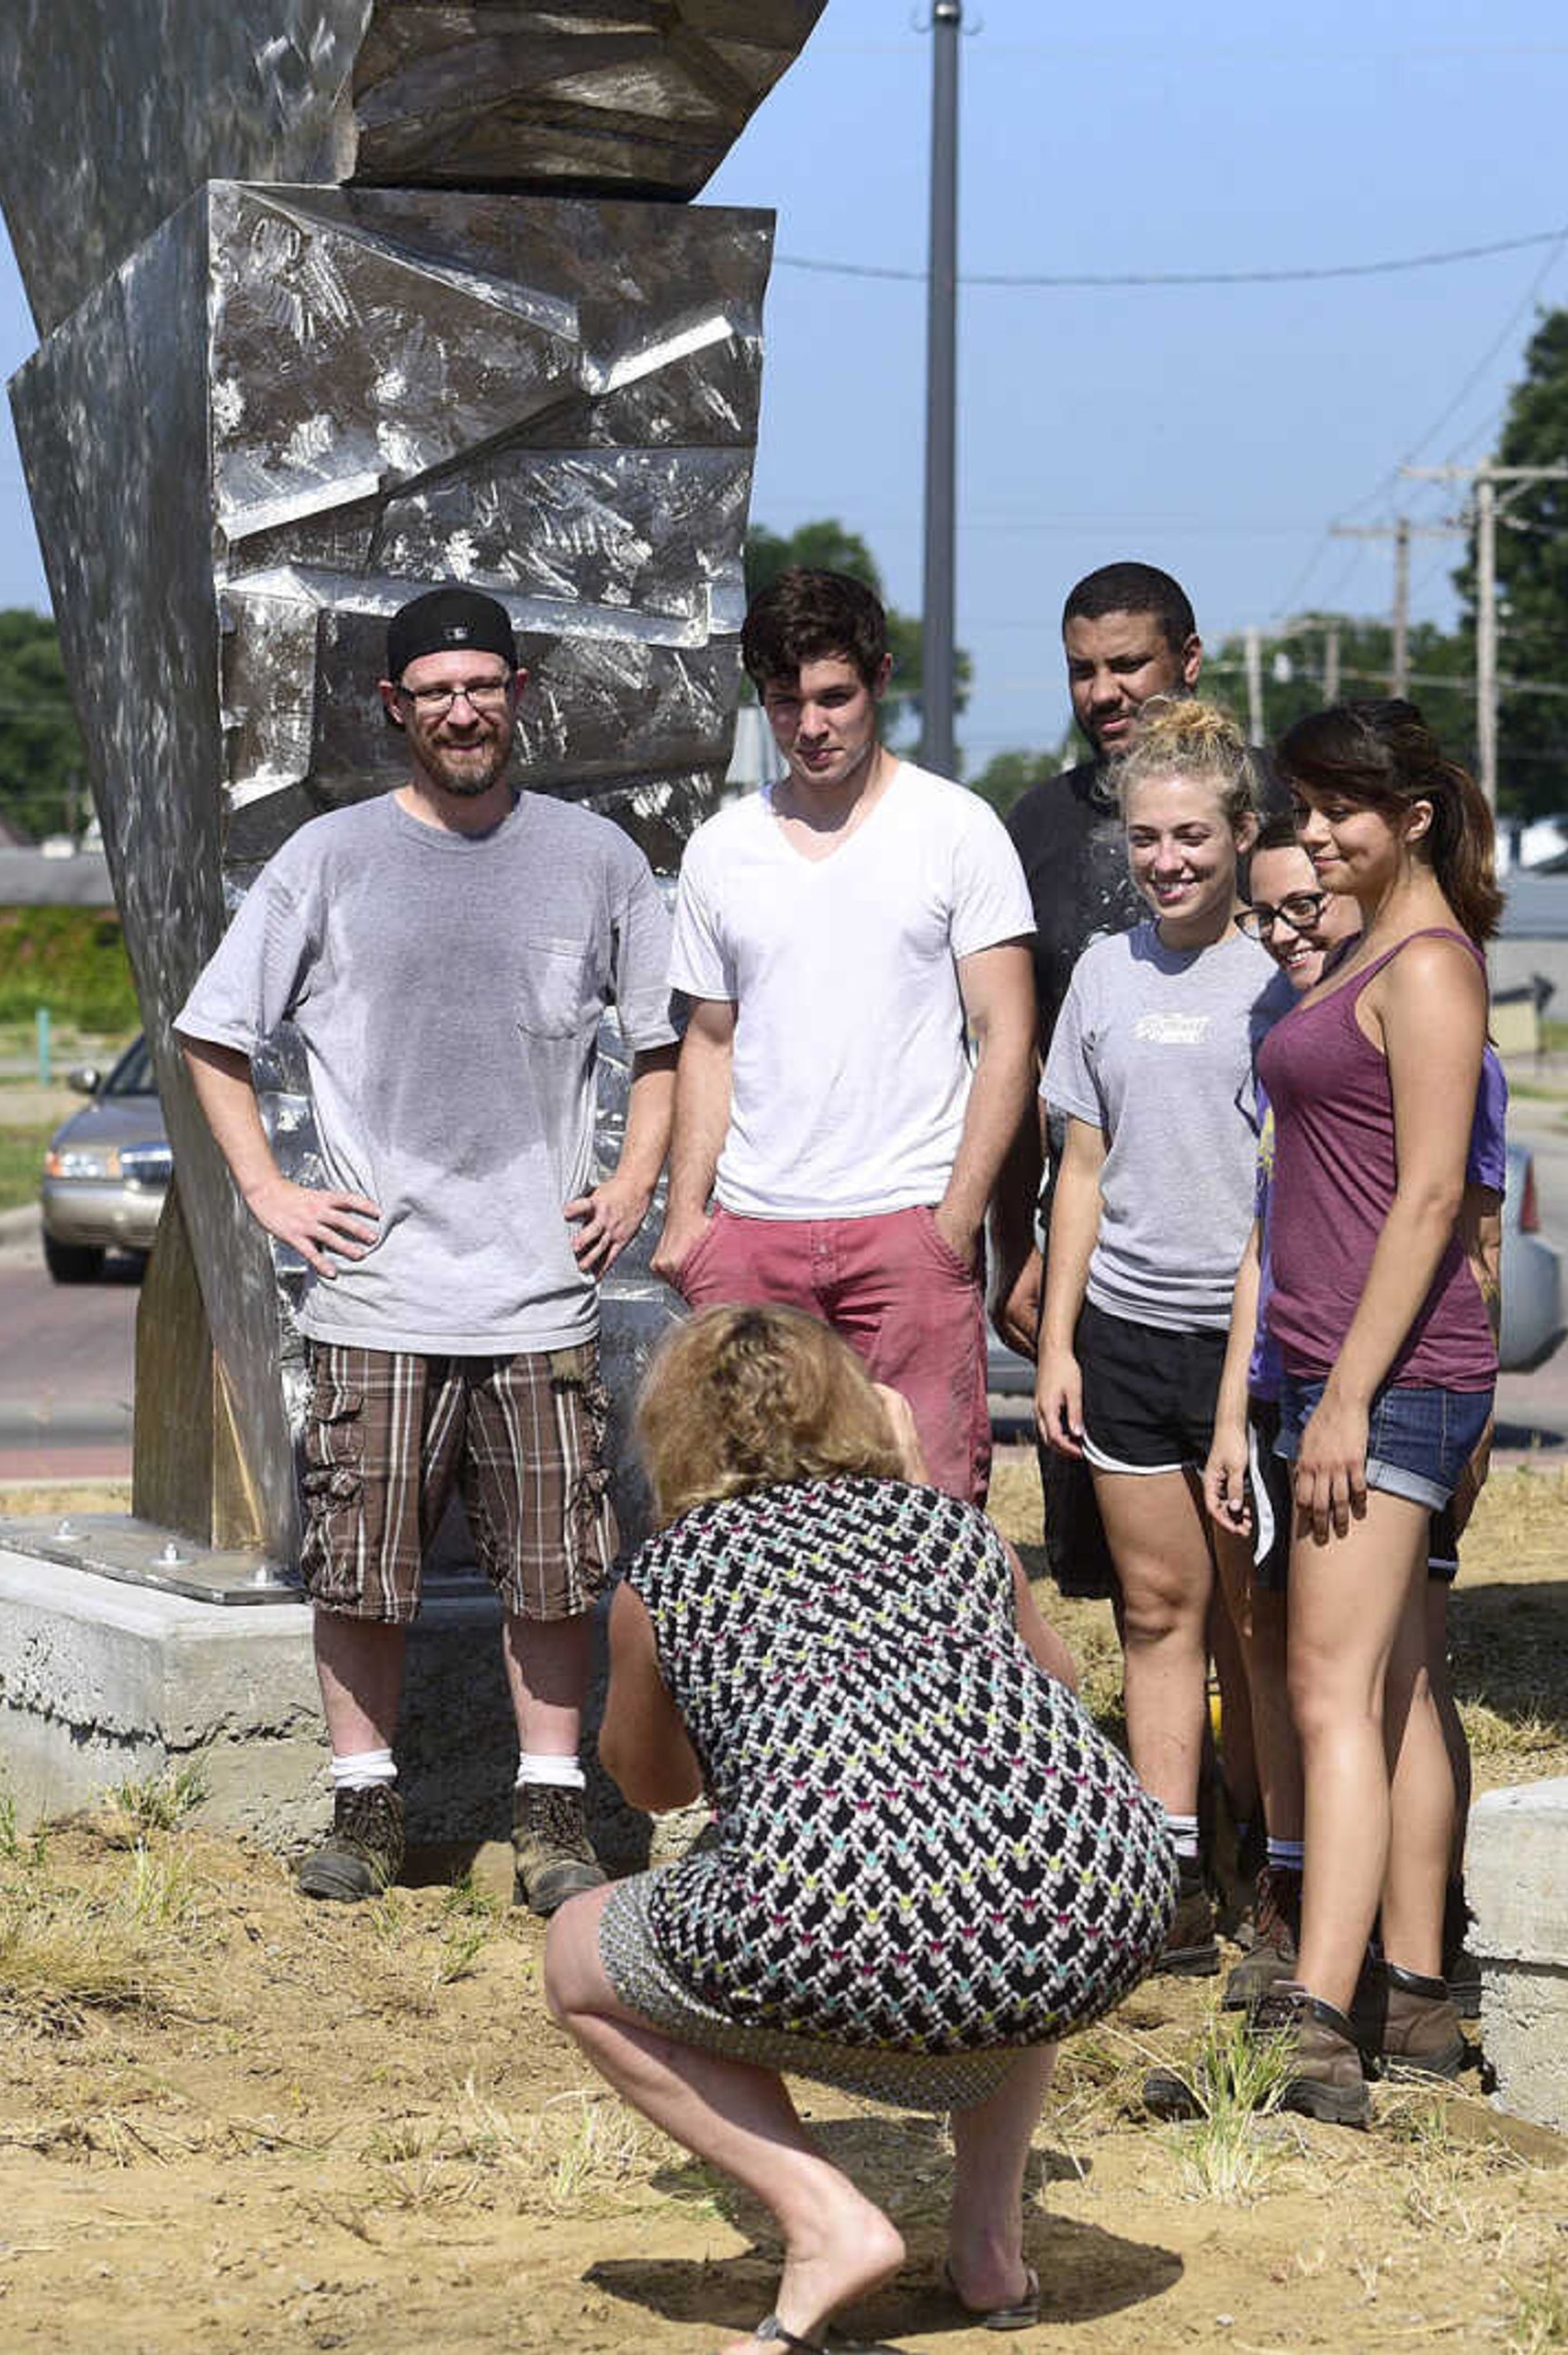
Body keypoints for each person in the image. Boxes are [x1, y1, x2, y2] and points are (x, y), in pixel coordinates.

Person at [174, 583, 675, 1914]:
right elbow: (213, 1035)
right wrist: (271, 1192)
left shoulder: (596, 858)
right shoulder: (329, 859)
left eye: (485, 685)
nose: (464, 710)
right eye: (436, 691)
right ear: (396, 707)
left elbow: (666, 1040)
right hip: (376, 1292)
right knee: (361, 1564)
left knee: (558, 1569)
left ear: (521, 692)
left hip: (538, 1295)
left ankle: (553, 1808)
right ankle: (365, 1800)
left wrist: (634, 1174)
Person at [543, 1304, 1171, 2355]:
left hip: (862, 1923)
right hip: (1103, 1900)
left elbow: (651, 1788)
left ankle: (822, 2215)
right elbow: (1051, 1690)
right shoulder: (950, 1527)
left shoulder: (672, 1574)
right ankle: (988, 2245)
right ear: (852, 1405)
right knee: (1007, 1832)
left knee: (575, 1952)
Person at [1204, 700, 1500, 2125]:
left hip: (1385, 1378)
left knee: (1326, 1688)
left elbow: (1438, 1195)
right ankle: (1416, 1995)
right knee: (1389, 1689)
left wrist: (1347, 1404)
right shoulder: (1369, 945)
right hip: (1344, 1368)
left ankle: (1315, 2029)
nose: (1312, 834)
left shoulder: (1431, 966)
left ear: (1416, 816)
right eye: (1304, 809)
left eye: (1339, 812)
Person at [651, 567, 1035, 1504]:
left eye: (834, 697)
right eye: (786, 703)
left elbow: (1007, 1035)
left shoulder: (956, 827)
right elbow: (709, 1041)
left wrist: (952, 1224)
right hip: (752, 1233)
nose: (812, 726)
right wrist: (689, 1219)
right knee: (743, 1515)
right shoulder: (723, 847)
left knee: (927, 1513)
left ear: (879, 681)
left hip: (904, 1226)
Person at [1032, 700, 1280, 1975]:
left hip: (1243, 1347)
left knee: (1257, 1614)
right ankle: (1174, 1858)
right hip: (1123, 1339)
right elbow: (1081, 1162)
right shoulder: (1103, 972)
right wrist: (1061, 1341)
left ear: (1241, 834)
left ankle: (1275, 1849)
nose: (1168, 859)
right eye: (1145, 838)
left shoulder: (1284, 978)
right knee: (1157, 1607)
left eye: (1192, 834)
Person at [996, 563, 1213, 1608]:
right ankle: (1169, 1767)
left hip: (1240, 1261)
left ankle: (1255, 1773)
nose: (1106, 692)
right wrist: (1020, 1248)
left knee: (1255, 1558)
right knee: (1133, 1580)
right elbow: (1011, 1063)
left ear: (1189, 660)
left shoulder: (1264, 805)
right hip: (1093, 1261)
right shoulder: (1029, 829)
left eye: (1130, 664)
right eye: (1083, 670)